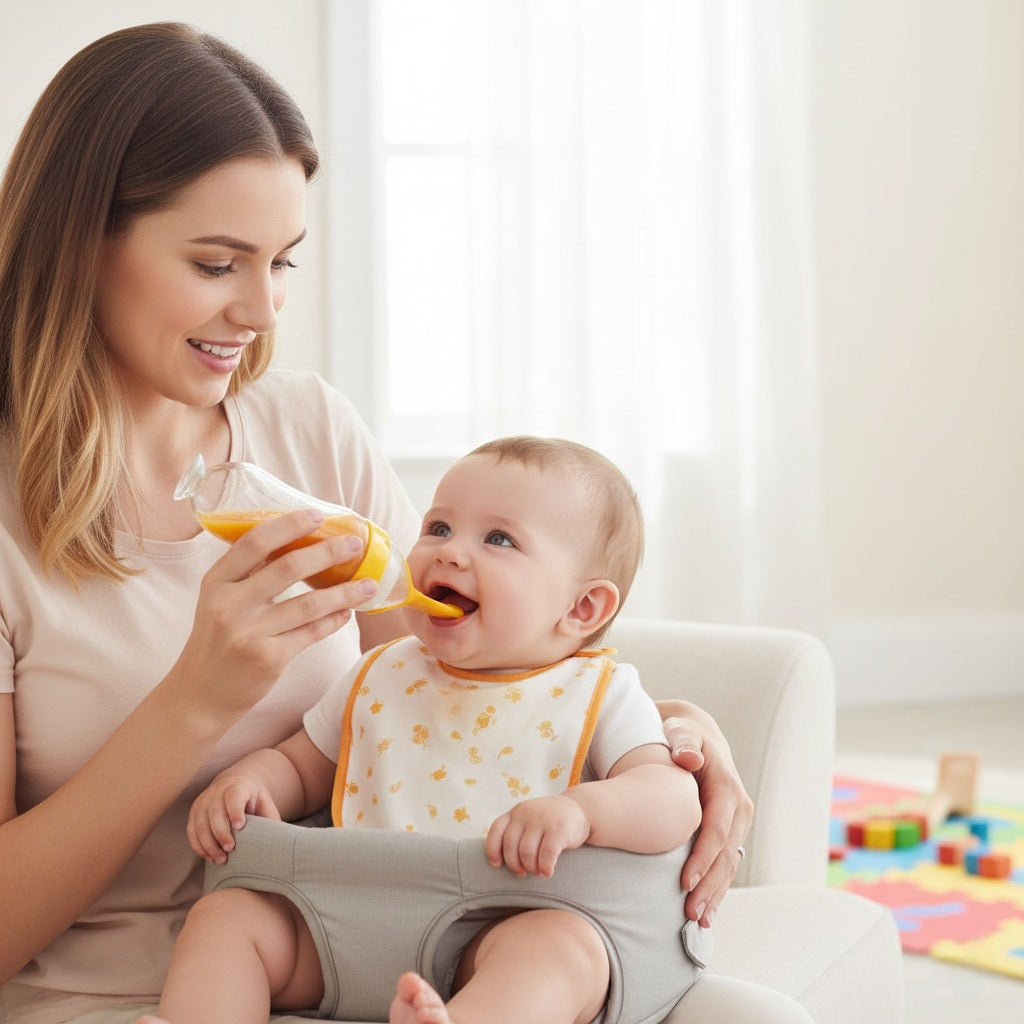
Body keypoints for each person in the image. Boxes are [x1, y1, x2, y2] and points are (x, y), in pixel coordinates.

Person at [0, 22, 755, 1024]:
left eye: (282, 264)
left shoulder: (306, 430)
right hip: (131, 990)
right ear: (81, 240)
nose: (262, 312)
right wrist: (194, 702)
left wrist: (670, 741)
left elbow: (467, 671)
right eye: (219, 263)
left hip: (390, 954)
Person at [142, 436, 705, 1024]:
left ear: (582, 609)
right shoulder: (381, 673)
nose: (450, 553)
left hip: (497, 923)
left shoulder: (600, 693)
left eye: (498, 539)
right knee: (228, 918)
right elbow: (303, 764)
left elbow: (671, 799)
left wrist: (584, 811)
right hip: (344, 923)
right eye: (438, 527)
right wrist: (252, 782)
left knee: (560, 951)